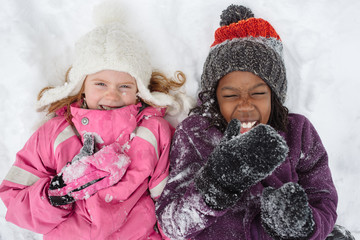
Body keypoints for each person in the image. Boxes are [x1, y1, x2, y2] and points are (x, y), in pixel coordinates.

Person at [156, 4, 354, 240]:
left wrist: (304, 226)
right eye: (230, 95)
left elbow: (322, 198)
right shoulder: (196, 133)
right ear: (215, 97)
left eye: (258, 94)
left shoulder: (298, 132)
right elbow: (171, 223)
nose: (246, 105)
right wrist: (217, 184)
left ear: (274, 95)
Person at [0, 2, 193, 239]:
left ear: (139, 91)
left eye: (124, 86)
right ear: (82, 86)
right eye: (100, 84)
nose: (112, 95)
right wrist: (57, 194)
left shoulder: (153, 132)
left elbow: (169, 202)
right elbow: (13, 197)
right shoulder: (56, 134)